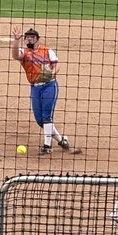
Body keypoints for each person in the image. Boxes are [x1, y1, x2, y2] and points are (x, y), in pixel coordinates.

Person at [10, 27, 71, 155]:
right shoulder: (24, 52)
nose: (29, 39)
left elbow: (56, 64)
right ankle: (61, 140)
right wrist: (16, 41)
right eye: (27, 38)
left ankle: (47, 146)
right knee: (40, 120)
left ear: (37, 39)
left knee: (46, 116)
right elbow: (15, 55)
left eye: (31, 37)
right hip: (35, 88)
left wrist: (52, 74)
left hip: (49, 86)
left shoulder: (47, 51)